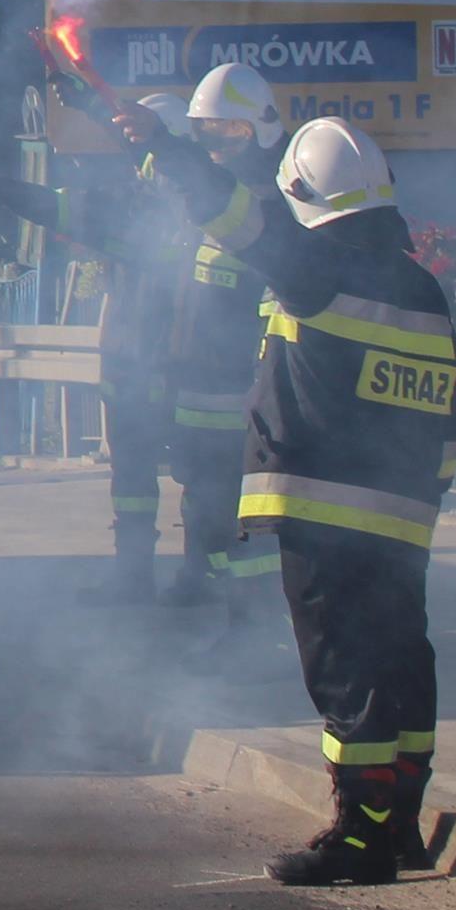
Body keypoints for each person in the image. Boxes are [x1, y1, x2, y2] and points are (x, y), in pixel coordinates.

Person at [146, 110, 456, 883]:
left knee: (344, 672)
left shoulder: (319, 270)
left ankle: (359, 834)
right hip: (404, 516)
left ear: (307, 198)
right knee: (401, 659)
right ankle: (401, 826)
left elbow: (235, 215)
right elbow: (449, 417)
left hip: (324, 514)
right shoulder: (421, 288)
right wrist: (425, 499)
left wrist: (165, 149)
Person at [0, 94, 198, 598]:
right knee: (134, 479)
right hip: (131, 366)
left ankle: (198, 577)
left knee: (200, 478)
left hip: (183, 368)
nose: (135, 166)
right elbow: (56, 207)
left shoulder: (208, 213)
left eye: (141, 150)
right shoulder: (129, 207)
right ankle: (137, 574)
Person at [162, 62, 288, 609]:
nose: (213, 142)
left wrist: (262, 385)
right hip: (197, 388)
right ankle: (204, 588)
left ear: (254, 127)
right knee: (202, 500)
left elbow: (273, 304)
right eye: (205, 131)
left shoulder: (269, 201)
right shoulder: (213, 198)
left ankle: (251, 622)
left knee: (242, 515)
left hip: (239, 394)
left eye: (224, 130)